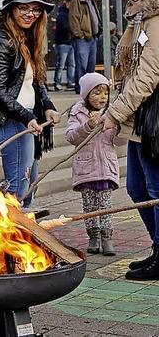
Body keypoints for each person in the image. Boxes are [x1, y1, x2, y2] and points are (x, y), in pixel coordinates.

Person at [0, 0, 60, 208]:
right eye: (23, 8)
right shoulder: (0, 40)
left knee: (29, 183)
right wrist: (27, 117)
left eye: (35, 9)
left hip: (27, 117)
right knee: (18, 187)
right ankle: (11, 236)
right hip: (10, 121)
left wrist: (48, 105)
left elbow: (37, 80)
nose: (30, 14)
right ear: (11, 9)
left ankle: (21, 234)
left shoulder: (29, 36)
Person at [103, 0, 159, 280]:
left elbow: (148, 74)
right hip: (138, 118)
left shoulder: (157, 20)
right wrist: (110, 106)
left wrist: (115, 113)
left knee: (153, 188)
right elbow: (126, 71)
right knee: (137, 189)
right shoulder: (138, 19)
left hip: (154, 120)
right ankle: (157, 247)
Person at [66, 73, 125, 256]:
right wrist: (87, 126)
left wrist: (118, 127)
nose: (102, 97)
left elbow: (120, 141)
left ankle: (107, 238)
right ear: (86, 95)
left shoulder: (111, 113)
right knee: (90, 206)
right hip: (86, 169)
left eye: (105, 93)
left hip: (105, 168)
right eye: (97, 93)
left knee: (106, 205)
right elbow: (70, 136)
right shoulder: (77, 113)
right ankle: (93, 238)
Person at [69, 0, 101, 94]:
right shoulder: (76, 1)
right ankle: (80, 87)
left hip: (93, 37)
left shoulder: (91, 1)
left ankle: (89, 87)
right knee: (82, 64)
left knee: (91, 65)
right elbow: (74, 19)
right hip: (83, 39)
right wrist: (80, 35)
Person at [53, 0, 75, 91]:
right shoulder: (62, 15)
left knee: (71, 64)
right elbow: (65, 27)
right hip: (63, 42)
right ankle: (57, 82)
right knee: (61, 64)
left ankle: (70, 82)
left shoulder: (67, 14)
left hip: (69, 42)